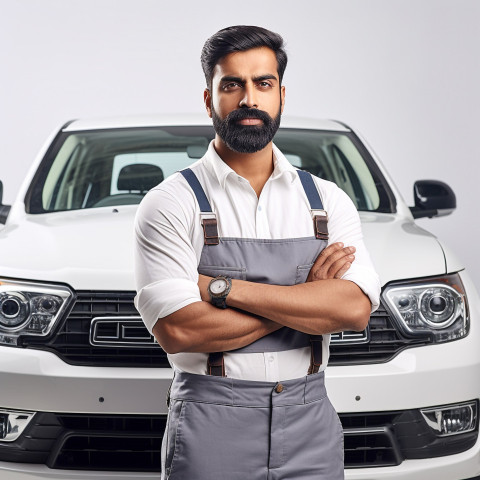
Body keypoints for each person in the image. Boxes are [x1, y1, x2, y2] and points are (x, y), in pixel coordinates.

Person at [134, 25, 380, 480]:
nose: (249, 98)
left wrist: (222, 289)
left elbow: (353, 309)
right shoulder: (170, 202)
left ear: (281, 95)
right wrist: (306, 297)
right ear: (210, 100)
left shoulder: (329, 201)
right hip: (210, 420)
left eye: (262, 83)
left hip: (312, 419)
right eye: (232, 84)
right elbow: (180, 331)